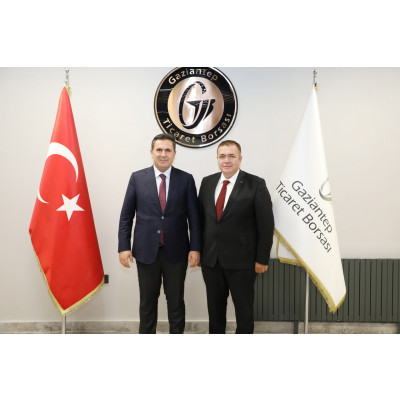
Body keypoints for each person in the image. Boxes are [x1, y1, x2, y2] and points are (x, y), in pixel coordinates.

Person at [118, 134, 202, 334]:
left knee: (176, 302)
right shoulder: (137, 178)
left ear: (174, 154)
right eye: (159, 150)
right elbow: (126, 216)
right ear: (151, 152)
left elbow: (194, 218)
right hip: (146, 252)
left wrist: (196, 248)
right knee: (147, 302)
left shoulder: (186, 179)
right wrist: (124, 247)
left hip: (177, 252)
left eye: (168, 150)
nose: (163, 154)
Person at [198, 140, 274, 334]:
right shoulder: (207, 183)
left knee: (244, 312)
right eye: (222, 156)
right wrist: (197, 251)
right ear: (217, 159)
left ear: (240, 159)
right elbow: (200, 221)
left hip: (243, 263)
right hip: (211, 261)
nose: (227, 160)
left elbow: (266, 226)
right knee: (215, 312)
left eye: (231, 156)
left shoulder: (255, 184)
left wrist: (262, 259)